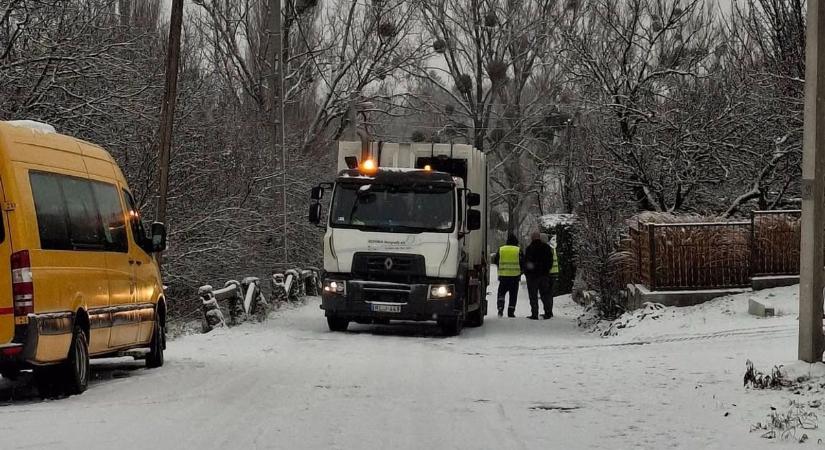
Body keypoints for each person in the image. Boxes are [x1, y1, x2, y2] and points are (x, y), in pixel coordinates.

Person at [523, 230, 554, 320]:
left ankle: (534, 314)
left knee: (533, 296)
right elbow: (550, 261)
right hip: (544, 275)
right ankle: (548, 313)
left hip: (533, 277)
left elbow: (526, 263)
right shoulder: (546, 248)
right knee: (545, 295)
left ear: (532, 238)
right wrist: (546, 270)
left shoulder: (529, 248)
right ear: (539, 238)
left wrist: (528, 272)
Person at [493, 234, 522, 318]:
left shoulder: (501, 249)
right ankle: (511, 312)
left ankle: (500, 308)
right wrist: (521, 271)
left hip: (503, 277)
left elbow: (495, 260)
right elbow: (522, 262)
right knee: (513, 295)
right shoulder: (518, 250)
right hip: (515, 277)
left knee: (501, 293)